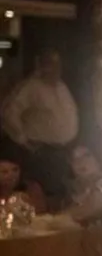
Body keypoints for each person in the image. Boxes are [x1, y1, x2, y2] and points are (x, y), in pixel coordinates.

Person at [2, 49, 78, 202]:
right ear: (41, 65)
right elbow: (9, 113)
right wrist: (23, 139)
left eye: (57, 65)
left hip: (62, 152)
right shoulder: (31, 87)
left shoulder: (61, 87)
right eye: (50, 64)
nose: (54, 69)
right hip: (41, 152)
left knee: (61, 195)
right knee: (41, 194)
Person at [0, 148, 47, 213]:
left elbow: (41, 213)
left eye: (15, 170)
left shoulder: (32, 188)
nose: (11, 175)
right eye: (4, 172)